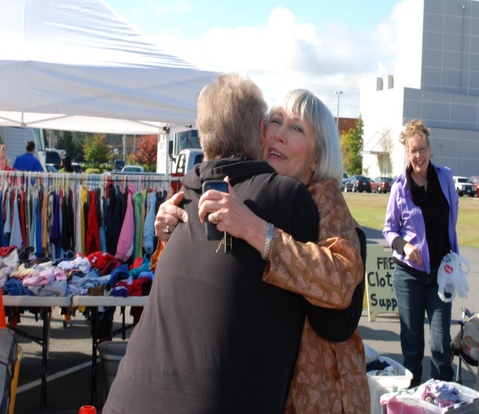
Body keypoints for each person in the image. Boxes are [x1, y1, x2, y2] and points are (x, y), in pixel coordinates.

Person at [103, 74, 320, 414]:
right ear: (261, 131)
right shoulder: (286, 197)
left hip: (127, 399)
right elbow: (333, 313)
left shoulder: (183, 198)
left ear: (203, 136)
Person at [155, 89, 369, 413]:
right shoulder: (251, 191)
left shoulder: (324, 199)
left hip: (321, 392)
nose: (279, 135)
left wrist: (257, 231)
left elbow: (341, 280)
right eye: (275, 121)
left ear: (317, 156)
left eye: (296, 128)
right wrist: (170, 235)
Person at [382, 119, 458, 388]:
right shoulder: (399, 187)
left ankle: (444, 398)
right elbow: (389, 230)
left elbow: (452, 218)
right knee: (412, 346)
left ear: (429, 149)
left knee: (440, 345)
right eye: (413, 150)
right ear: (406, 152)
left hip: (442, 274)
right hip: (408, 275)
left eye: (422, 149)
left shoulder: (445, 178)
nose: (418, 156)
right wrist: (405, 246)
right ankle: (412, 399)